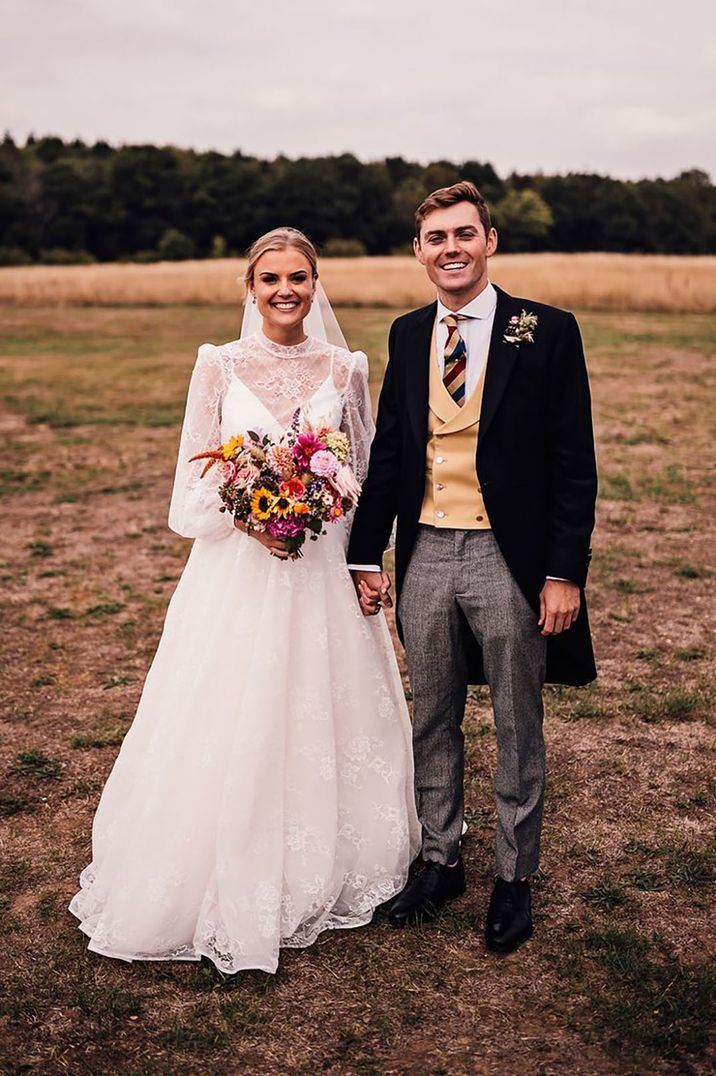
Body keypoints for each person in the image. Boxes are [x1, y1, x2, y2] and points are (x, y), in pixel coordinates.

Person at [70, 227, 420, 975]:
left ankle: (328, 853)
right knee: (230, 707)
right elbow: (190, 490)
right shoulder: (218, 366)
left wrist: (362, 560)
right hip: (239, 573)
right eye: (270, 279)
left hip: (323, 567)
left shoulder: (346, 367)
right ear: (250, 288)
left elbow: (363, 475)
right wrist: (251, 517)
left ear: (316, 284)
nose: (286, 291)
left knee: (322, 706)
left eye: (298, 277)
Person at [348, 182, 597, 954]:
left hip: (507, 556)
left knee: (518, 720)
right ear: (419, 251)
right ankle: (441, 860)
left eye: (464, 234)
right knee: (433, 714)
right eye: (435, 238)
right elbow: (391, 449)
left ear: (491, 240)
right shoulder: (406, 332)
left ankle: (514, 879)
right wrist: (365, 549)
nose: (450, 248)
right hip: (425, 550)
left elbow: (572, 463)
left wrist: (562, 572)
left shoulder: (546, 330)